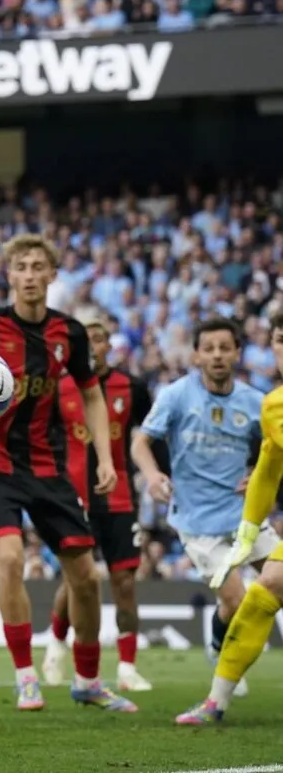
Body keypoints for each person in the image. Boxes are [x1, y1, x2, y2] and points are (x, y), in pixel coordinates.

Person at [0, 234, 135, 712]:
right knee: (9, 560)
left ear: (52, 274)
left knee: (86, 578)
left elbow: (91, 392)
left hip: (47, 468)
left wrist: (106, 459)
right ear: (9, 275)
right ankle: (26, 676)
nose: (29, 275)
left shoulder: (69, 332)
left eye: (37, 266)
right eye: (20, 267)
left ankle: (88, 681)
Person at [130, 317, 272, 701]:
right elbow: (140, 443)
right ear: (196, 354)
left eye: (225, 348)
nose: (217, 355)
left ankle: (220, 643)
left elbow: (275, 449)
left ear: (237, 353)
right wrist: (152, 474)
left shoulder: (255, 402)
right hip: (198, 522)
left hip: (247, 516)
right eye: (209, 348)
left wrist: (260, 472)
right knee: (237, 600)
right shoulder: (177, 396)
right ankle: (219, 648)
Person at [176, 310, 283, 724]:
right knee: (267, 586)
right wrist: (249, 529)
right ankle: (215, 703)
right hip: (204, 519)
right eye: (279, 339)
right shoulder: (273, 406)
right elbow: (267, 470)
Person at [44, 314, 153, 692]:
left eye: (100, 339)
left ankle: (126, 668)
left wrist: (159, 474)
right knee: (77, 580)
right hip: (75, 497)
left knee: (124, 583)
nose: (93, 347)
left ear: (110, 345)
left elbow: (150, 437)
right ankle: (56, 645)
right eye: (86, 340)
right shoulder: (58, 388)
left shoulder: (133, 387)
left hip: (121, 497)